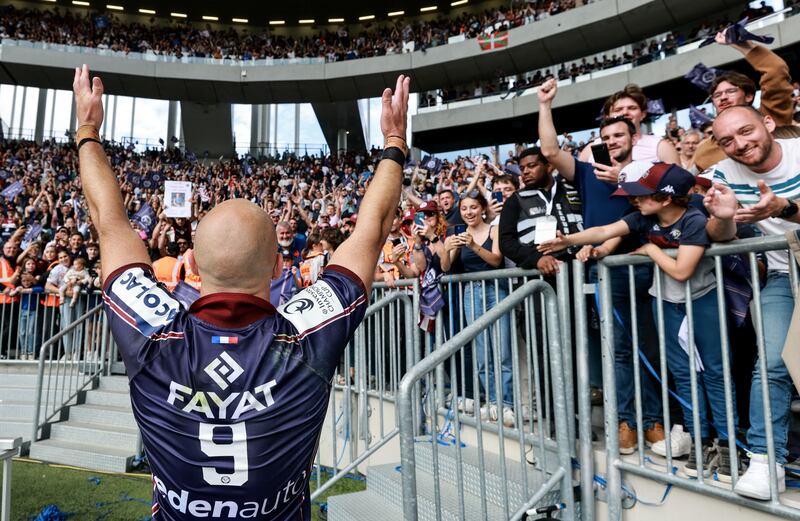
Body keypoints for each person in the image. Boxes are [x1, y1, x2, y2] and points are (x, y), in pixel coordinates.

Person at [75, 64, 410, 520]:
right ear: (277, 265)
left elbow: (108, 219)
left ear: (191, 263)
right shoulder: (307, 336)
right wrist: (393, 144)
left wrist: (88, 130)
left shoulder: (154, 334)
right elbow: (371, 231)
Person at [540, 163, 738, 478]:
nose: (634, 201)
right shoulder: (644, 218)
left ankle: (728, 445)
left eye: (643, 195)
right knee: (683, 375)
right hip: (666, 302)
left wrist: (650, 250)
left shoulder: (694, 219)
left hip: (702, 301)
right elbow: (605, 231)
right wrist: (569, 241)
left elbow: (682, 270)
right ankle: (700, 441)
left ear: (666, 199)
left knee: (715, 372)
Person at [538, 77, 666, 453]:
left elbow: (636, 219)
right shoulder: (587, 174)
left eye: (619, 135)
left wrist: (606, 244)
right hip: (607, 275)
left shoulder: (648, 174)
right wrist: (545, 105)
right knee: (620, 351)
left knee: (652, 348)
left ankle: (655, 421)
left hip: (647, 267)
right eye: (606, 136)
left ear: (633, 137)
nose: (612, 141)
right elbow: (549, 150)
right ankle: (627, 421)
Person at [704, 104, 800, 500]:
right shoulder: (724, 173)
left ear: (769, 123)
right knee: (772, 362)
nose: (740, 145)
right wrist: (724, 217)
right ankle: (765, 461)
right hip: (783, 273)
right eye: (727, 140)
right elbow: (720, 235)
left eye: (746, 132)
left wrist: (786, 208)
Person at [441, 190, 514, 426]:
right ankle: (491, 401)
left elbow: (496, 260)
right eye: (464, 209)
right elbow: (445, 267)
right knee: (482, 353)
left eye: (473, 207)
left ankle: (507, 405)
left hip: (497, 289)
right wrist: (446, 247)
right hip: (471, 293)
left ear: (482, 208)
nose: (468, 212)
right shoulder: (458, 233)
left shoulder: (494, 230)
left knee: (502, 350)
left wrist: (473, 245)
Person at [693, 32, 794, 171]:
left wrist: (744, 46)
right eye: (717, 95)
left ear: (749, 96)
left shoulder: (768, 116)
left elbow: (775, 71)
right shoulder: (704, 152)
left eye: (731, 91)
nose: (723, 97)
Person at [498, 146, 582, 274]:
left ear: (549, 167)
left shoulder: (573, 190)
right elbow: (506, 242)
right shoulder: (514, 200)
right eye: (522, 168)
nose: (525, 172)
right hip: (539, 278)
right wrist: (536, 259)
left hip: (581, 270)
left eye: (531, 166)